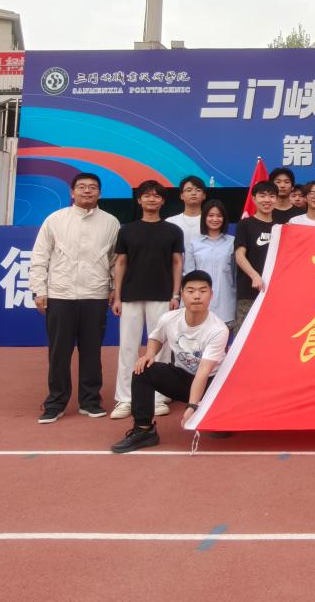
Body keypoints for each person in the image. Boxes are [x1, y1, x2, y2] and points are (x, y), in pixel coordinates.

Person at [30, 173, 120, 423]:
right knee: (59, 353)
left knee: (92, 352)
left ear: (100, 193)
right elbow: (40, 256)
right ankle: (55, 403)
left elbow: (115, 260)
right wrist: (39, 290)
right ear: (72, 192)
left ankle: (90, 401)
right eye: (82, 187)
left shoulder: (111, 222)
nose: (87, 191)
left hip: (95, 294)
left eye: (93, 187)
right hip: (61, 294)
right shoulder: (55, 219)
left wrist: (115, 288)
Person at [110, 270, 229, 453]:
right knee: (143, 370)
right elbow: (156, 337)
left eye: (203, 291)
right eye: (191, 291)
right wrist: (150, 354)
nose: (197, 296)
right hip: (184, 378)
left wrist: (192, 406)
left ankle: (215, 414)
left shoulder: (218, 329)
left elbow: (203, 372)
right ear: (182, 293)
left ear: (211, 295)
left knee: (223, 428)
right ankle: (144, 431)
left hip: (213, 386)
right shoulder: (169, 319)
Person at [111, 180, 185, 420]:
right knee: (128, 347)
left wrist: (175, 294)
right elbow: (120, 263)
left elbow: (177, 262)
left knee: (161, 349)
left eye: (156, 196)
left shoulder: (173, 230)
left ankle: (158, 397)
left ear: (163, 201)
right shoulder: (127, 230)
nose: (151, 199)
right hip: (131, 296)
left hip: (162, 296)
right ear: (139, 200)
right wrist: (117, 295)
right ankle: (125, 398)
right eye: (147, 195)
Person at [184, 199, 236, 329]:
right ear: (204, 218)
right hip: (199, 302)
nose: (215, 219)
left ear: (224, 218)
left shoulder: (233, 242)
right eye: (211, 215)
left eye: (219, 216)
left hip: (226, 302)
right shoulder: (194, 243)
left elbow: (236, 275)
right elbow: (189, 275)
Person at [233, 181, 276, 334]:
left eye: (271, 196)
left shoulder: (281, 227)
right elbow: (239, 256)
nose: (267, 200)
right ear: (253, 198)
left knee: (269, 335)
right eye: (262, 196)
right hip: (248, 293)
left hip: (273, 294)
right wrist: (255, 276)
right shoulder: (245, 224)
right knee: (244, 336)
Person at [166, 175, 207, 245]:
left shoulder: (211, 221)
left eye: (198, 190)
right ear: (181, 196)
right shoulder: (170, 222)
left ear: (204, 196)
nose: (193, 193)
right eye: (189, 190)